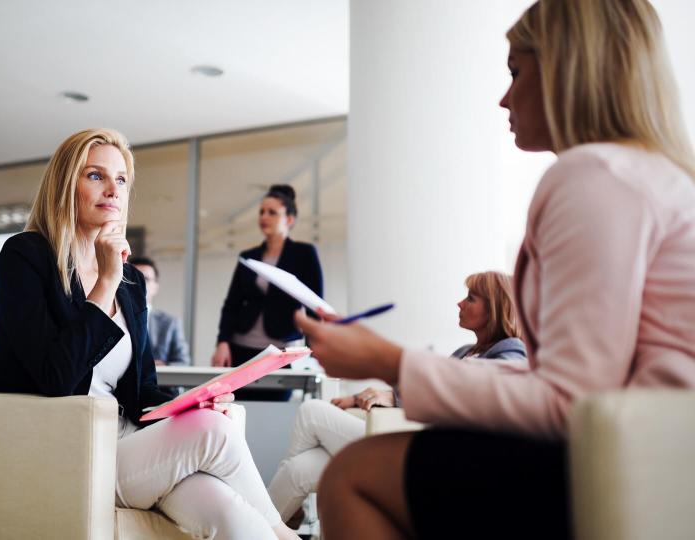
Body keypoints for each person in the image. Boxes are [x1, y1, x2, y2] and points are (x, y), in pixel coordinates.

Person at [296, 1, 695, 539]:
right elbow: (572, 383)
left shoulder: (594, 176)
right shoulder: (656, 177)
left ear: (568, 69)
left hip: (636, 464)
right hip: (663, 458)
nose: (503, 97)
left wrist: (390, 362)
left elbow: (571, 401)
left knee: (352, 475)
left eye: (516, 72)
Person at [0, 128, 299, 540]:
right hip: (69, 449)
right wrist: (104, 283)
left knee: (230, 516)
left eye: (121, 179)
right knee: (216, 433)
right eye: (95, 175)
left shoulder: (129, 278)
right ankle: (284, 530)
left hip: (128, 444)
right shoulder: (26, 256)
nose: (112, 189)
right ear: (65, 184)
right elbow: (55, 378)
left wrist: (192, 403)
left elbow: (142, 389)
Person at [268, 271, 526, 527]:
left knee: (311, 411)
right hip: (420, 440)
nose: (460, 303)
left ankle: (278, 520)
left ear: (495, 308)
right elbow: (434, 392)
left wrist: (391, 367)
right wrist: (360, 397)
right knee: (298, 470)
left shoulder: (512, 352)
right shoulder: (465, 352)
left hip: (430, 455)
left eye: (471, 298)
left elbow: (474, 390)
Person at [211, 184, 323, 401]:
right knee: (237, 409)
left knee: (275, 409)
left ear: (289, 219)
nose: (264, 216)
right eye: (262, 211)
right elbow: (232, 303)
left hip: (279, 352)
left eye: (272, 212)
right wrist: (222, 342)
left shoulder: (304, 254)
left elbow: (314, 305)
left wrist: (314, 349)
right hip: (240, 349)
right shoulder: (248, 255)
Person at [129, 256, 191, 366]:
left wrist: (163, 367)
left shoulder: (170, 323)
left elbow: (183, 362)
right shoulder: (111, 320)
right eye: (133, 278)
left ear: (155, 287)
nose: (139, 283)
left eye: (146, 279)